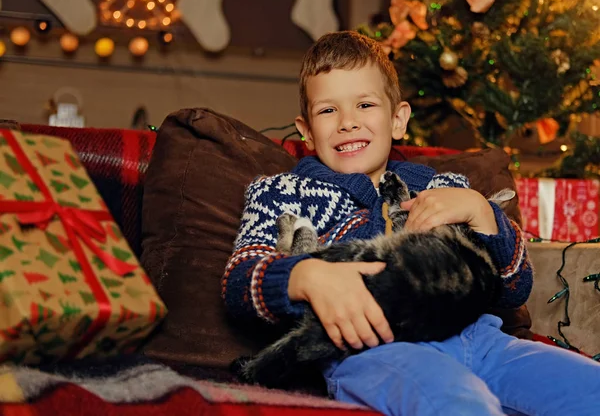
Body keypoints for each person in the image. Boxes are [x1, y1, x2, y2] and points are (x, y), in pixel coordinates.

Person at [222, 31, 600, 416]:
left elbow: (514, 290)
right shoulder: (283, 192)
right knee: (459, 403)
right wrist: (305, 277)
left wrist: (484, 215)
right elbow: (239, 281)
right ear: (305, 131)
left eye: (365, 104)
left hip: (482, 342)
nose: (348, 123)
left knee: (590, 389)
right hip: (374, 351)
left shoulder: (444, 187)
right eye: (328, 110)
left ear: (398, 119)